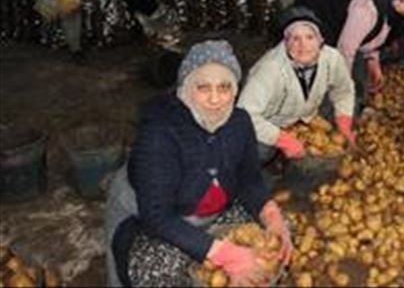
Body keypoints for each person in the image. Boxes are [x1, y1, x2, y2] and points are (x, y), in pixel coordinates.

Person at [105, 40, 292, 287]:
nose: (215, 99)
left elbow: (249, 181)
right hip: (148, 217)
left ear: (235, 89)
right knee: (159, 273)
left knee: (276, 238)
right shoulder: (160, 132)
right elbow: (157, 215)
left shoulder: (240, 122)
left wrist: (272, 215)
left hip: (207, 207)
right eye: (203, 87)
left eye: (224, 87)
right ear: (186, 88)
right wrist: (225, 254)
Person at [238, 6, 356, 164]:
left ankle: (292, 151)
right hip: (273, 121)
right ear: (285, 42)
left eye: (310, 37)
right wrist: (281, 139)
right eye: (295, 38)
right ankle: (269, 159)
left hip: (306, 114)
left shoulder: (332, 58)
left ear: (321, 40)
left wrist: (344, 121)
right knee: (260, 150)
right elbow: (244, 115)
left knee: (339, 116)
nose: (303, 45)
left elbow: (343, 91)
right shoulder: (269, 69)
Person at [293, 0, 404, 112]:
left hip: (335, 29)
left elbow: (370, 41)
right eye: (401, 0)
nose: (402, 7)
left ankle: (355, 105)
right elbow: (345, 48)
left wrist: (374, 64)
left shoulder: (389, 14)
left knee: (359, 72)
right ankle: (318, 110)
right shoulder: (366, 9)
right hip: (313, 11)